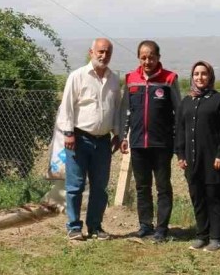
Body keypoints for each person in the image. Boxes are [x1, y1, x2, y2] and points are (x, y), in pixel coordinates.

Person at [56, 38, 123, 241]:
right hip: (79, 138)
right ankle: (74, 227)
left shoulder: (114, 79)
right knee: (75, 185)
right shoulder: (77, 76)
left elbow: (117, 109)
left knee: (100, 187)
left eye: (108, 52)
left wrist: (118, 133)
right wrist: (68, 133)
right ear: (91, 52)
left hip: (103, 142)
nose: (104, 56)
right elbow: (67, 106)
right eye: (100, 51)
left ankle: (95, 226)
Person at [120, 40, 182, 243]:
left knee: (163, 187)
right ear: (139, 58)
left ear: (158, 57)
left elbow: (178, 112)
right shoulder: (130, 79)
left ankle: (162, 228)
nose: (147, 61)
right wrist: (123, 136)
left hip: (162, 144)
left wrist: (177, 140)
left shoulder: (169, 79)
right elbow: (127, 111)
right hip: (138, 143)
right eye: (143, 57)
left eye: (151, 57)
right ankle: (145, 225)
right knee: (142, 187)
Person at [175, 61, 220, 252]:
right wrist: (180, 154)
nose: (200, 77)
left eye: (204, 74)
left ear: (210, 76)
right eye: (196, 74)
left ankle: (217, 237)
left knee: (215, 198)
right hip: (192, 160)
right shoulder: (186, 101)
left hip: (214, 160)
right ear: (192, 77)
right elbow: (180, 130)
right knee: (198, 197)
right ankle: (202, 235)